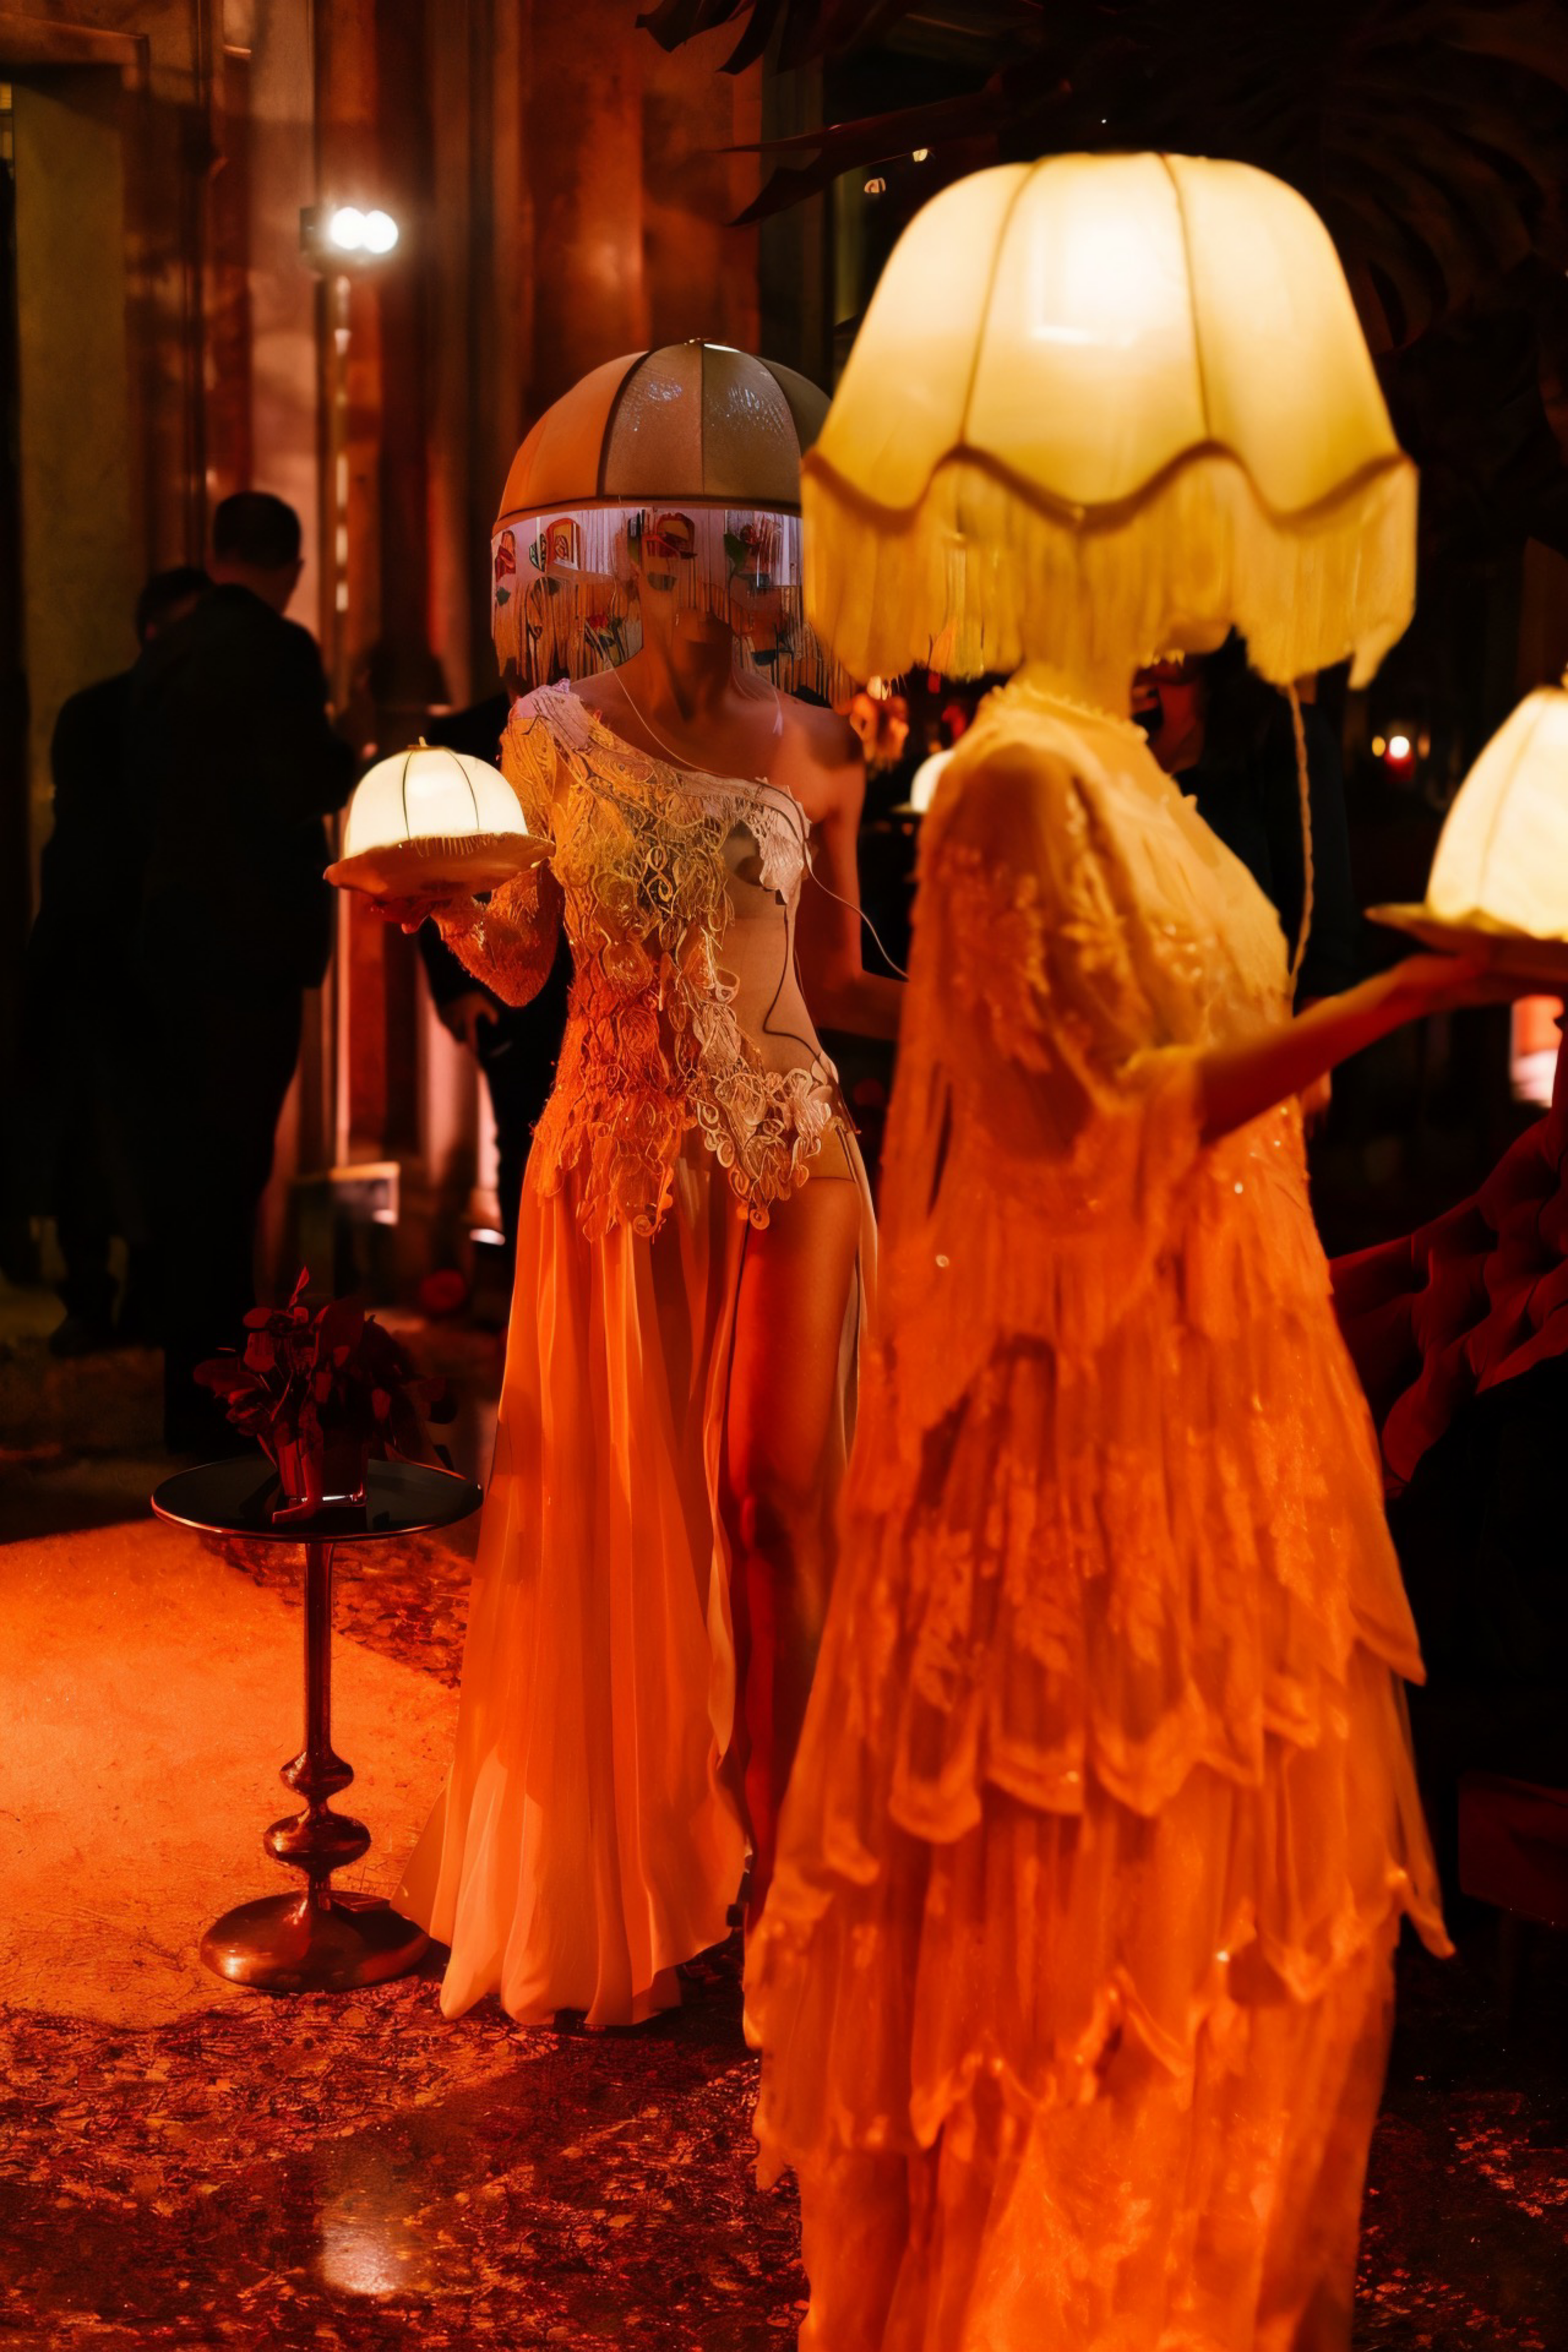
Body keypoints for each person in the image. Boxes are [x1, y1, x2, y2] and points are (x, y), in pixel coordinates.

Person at [746, 160, 1534, 2349]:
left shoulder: (1135, 779)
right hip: (1074, 1432)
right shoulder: (1008, 788)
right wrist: (1402, 1001)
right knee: (1081, 1902)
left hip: (1217, 1404)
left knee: (1227, 1910)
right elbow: (1081, 1137)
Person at [382, 410, 901, 2029]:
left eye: (760, 547)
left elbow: (834, 980)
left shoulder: (824, 745)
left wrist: (1009, 1017)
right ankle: (653, 1861)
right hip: (614, 1162)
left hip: (793, 1151)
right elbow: (526, 960)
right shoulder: (547, 733)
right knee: (634, 1522)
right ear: (632, 559)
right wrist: (438, 906)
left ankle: (794, 1874)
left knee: (770, 1505)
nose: (738, 572)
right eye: (696, 542)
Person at [130, 492, 353, 1453]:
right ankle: (229, 1403)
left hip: (167, 946)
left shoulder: (165, 652)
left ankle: (191, 1396)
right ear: (292, 568)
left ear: (216, 553)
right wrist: (348, 752)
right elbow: (298, 782)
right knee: (235, 1174)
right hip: (251, 947)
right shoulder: (279, 650)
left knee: (189, 1179)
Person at [23, 566, 209, 1354]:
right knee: (91, 1135)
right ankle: (95, 1295)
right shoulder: (106, 716)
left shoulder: (180, 718)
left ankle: (134, 1298)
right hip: (99, 951)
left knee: (141, 1139)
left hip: (151, 955)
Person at [414, 694, 571, 1271]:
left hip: (586, 973)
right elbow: (430, 863)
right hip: (498, 979)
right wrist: (455, 989)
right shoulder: (460, 737)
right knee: (519, 1136)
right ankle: (520, 1289)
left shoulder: (600, 726)